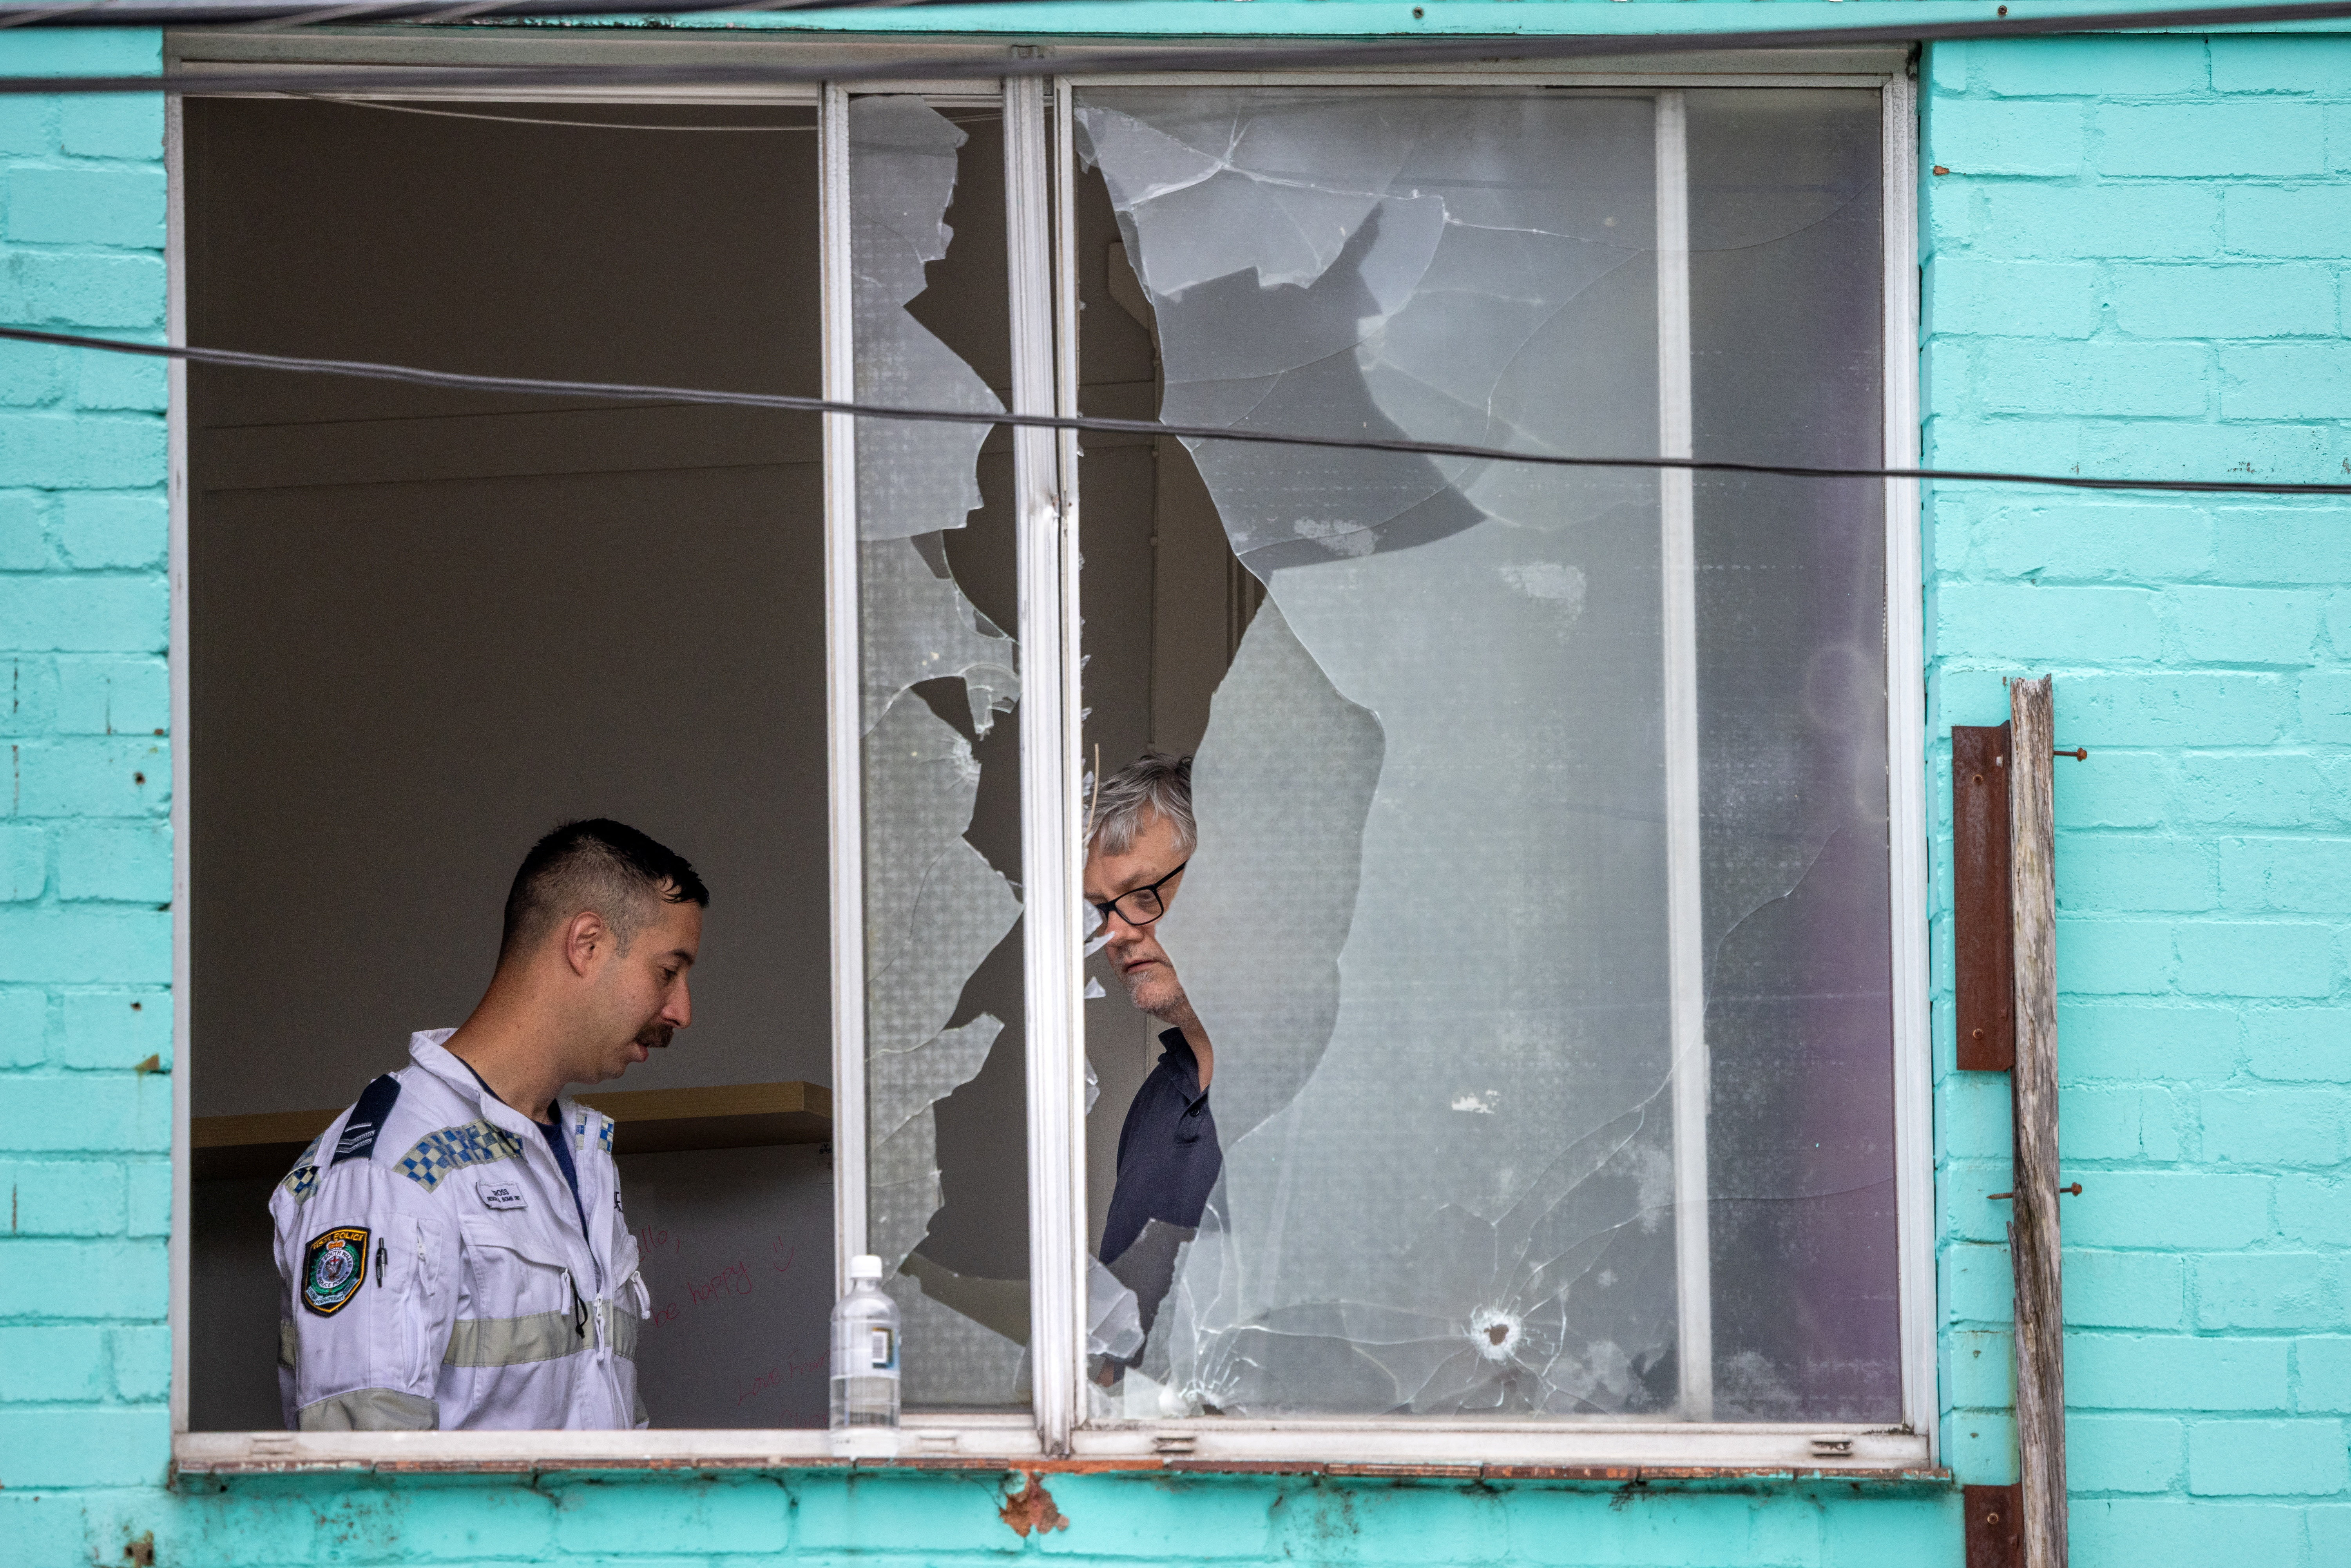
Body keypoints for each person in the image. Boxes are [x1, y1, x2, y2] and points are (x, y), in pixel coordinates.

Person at [269, 818, 706, 1431]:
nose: (682, 1010)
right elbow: (367, 1491)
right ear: (586, 944)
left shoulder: (576, 1157)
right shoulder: (391, 1167)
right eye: (668, 971)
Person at [1085, 751, 1219, 1338]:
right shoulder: (1154, 1104)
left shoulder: (1324, 1083)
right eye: (1100, 909)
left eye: (1143, 895)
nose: (1116, 934)